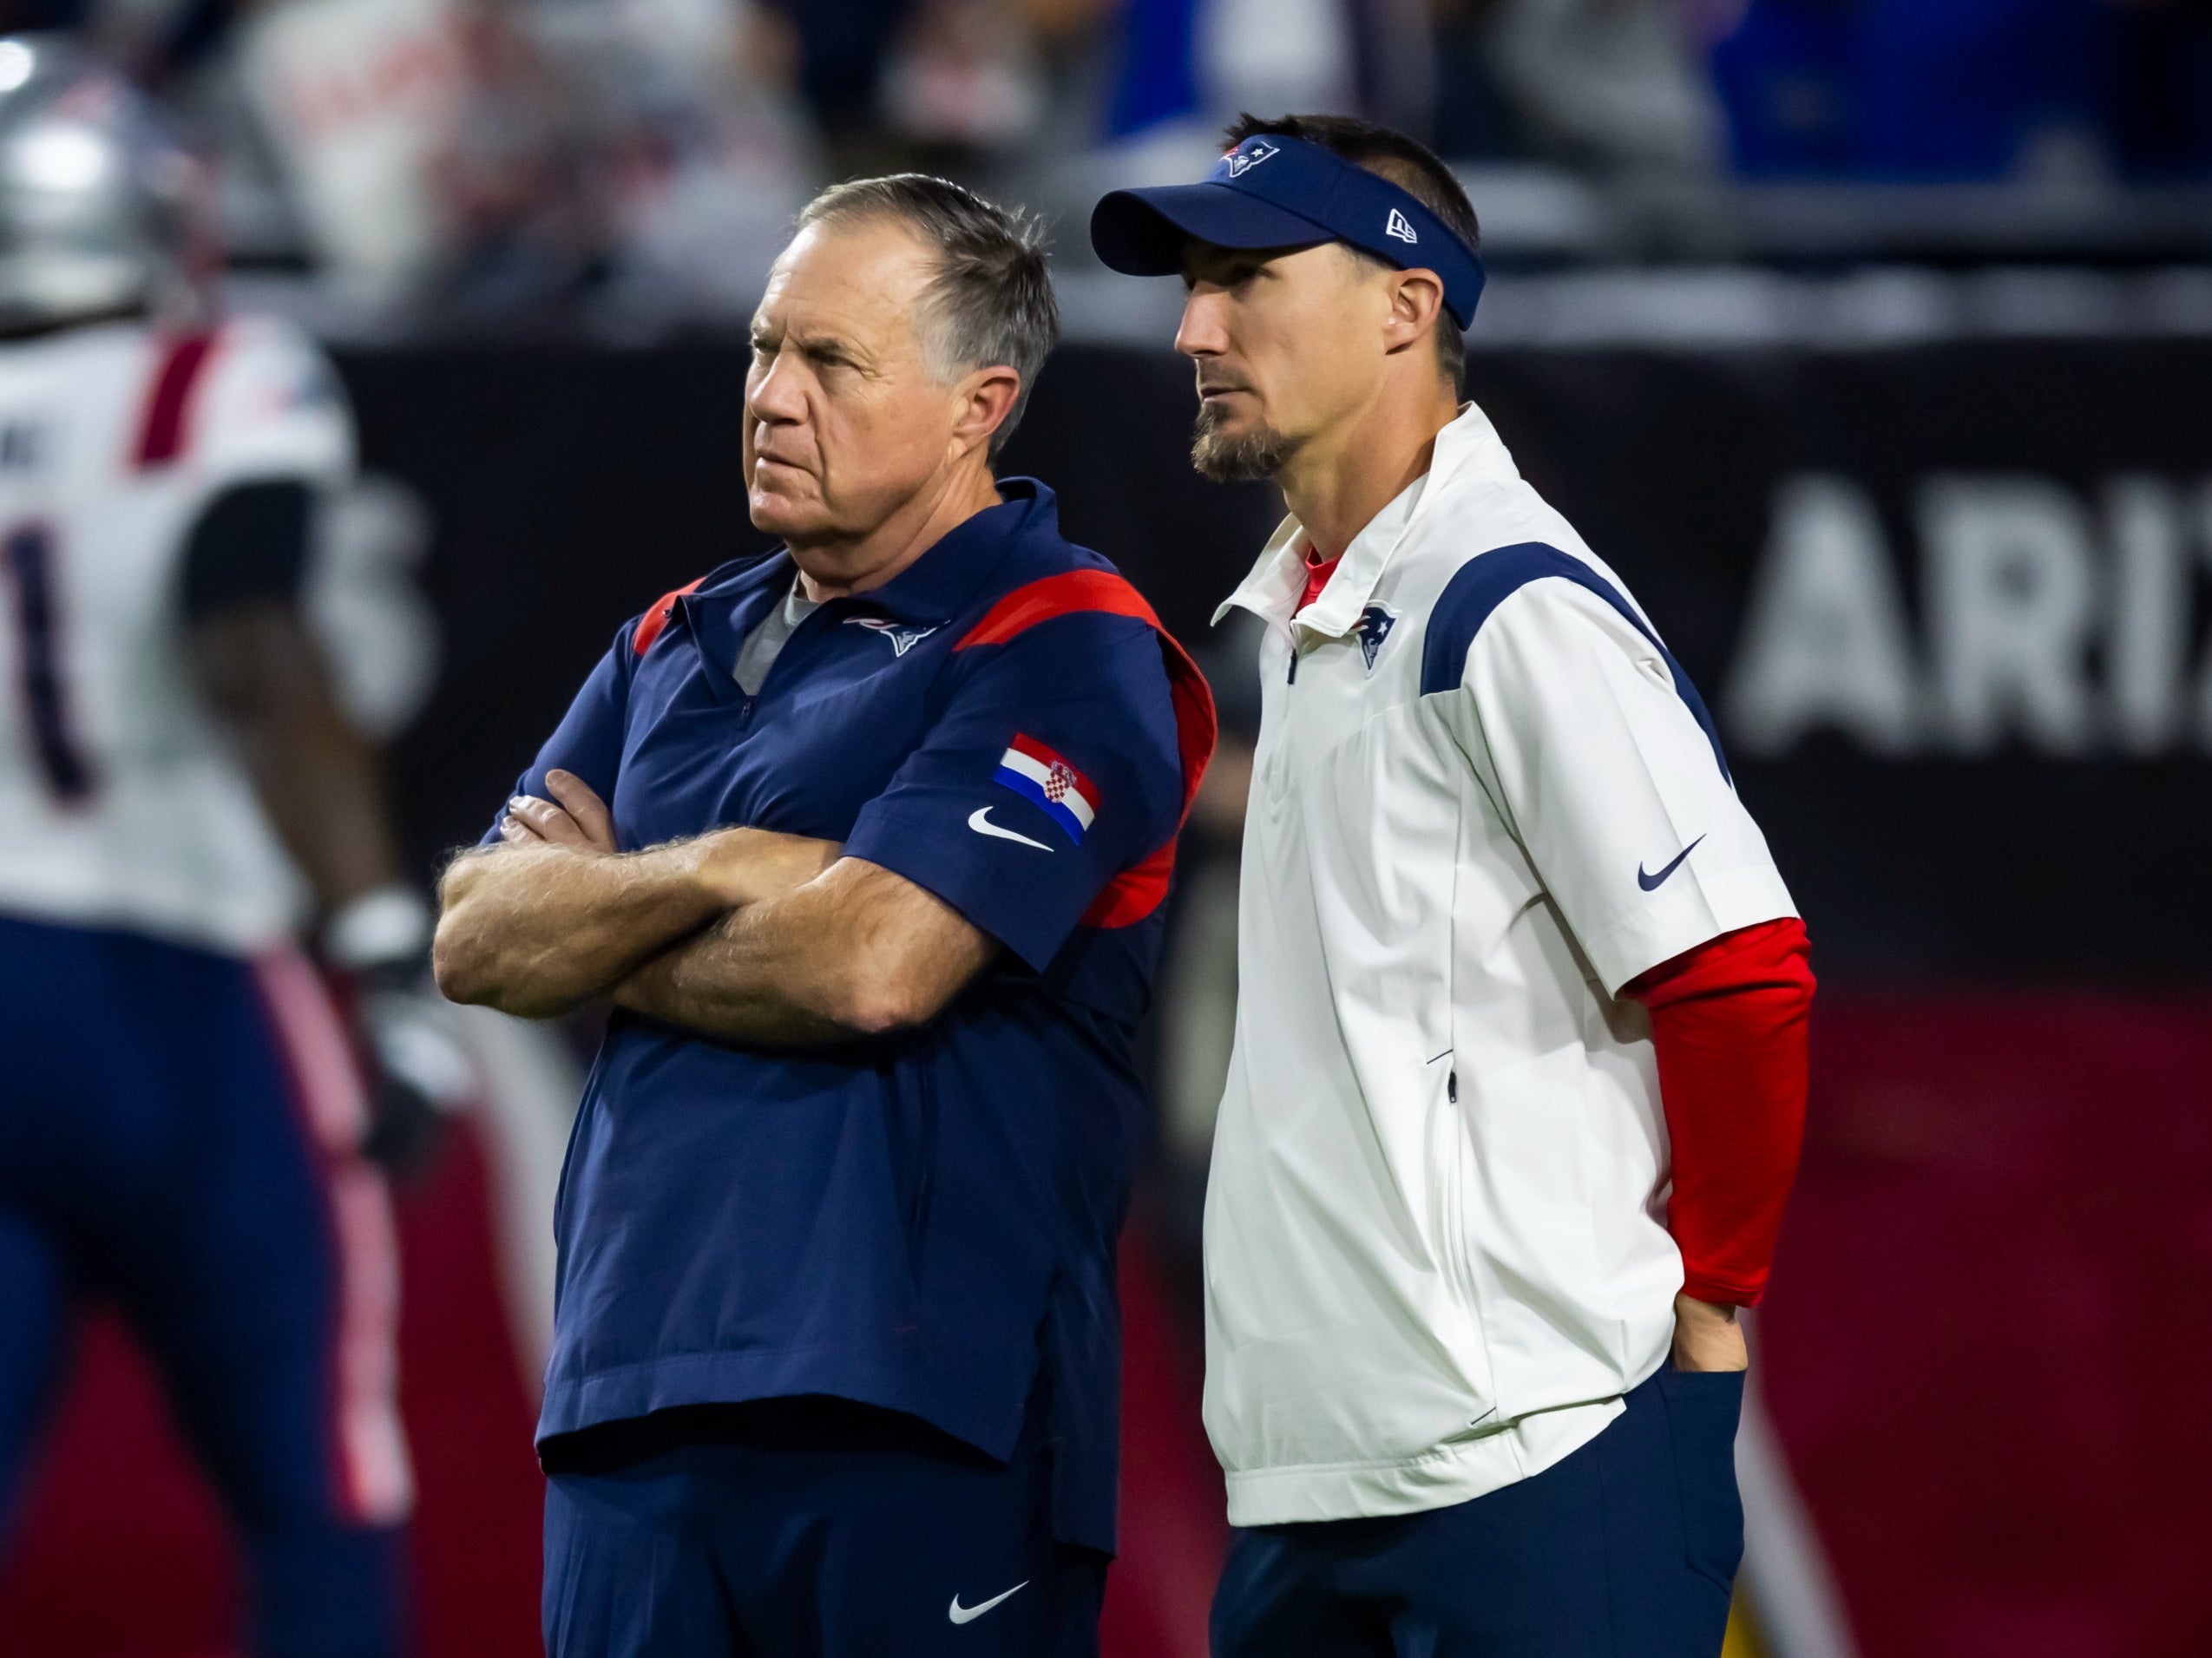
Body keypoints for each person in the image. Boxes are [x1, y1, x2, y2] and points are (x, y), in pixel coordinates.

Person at [432, 173, 1214, 1658]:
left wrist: (607, 913)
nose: (773, 400)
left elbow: (874, 963)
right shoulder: (669, 636)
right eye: (760, 350)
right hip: (631, 1395)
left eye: (831, 363)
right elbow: (478, 940)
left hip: (920, 1407)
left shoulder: (1064, 636)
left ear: (980, 403)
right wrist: (731, 870)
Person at [1091, 114, 1816, 1656]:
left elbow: (1737, 972)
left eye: (1242, 280)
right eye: (1189, 287)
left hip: (1532, 1470)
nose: (1190, 329)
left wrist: (1706, 1324)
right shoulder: (1313, 610)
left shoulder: (1507, 605)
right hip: (1314, 1478)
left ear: (1404, 308)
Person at [0, 36, 463, 1657]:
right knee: (319, 1492)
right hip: (186, 983)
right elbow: (251, 636)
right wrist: (380, 954)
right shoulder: (218, 377)